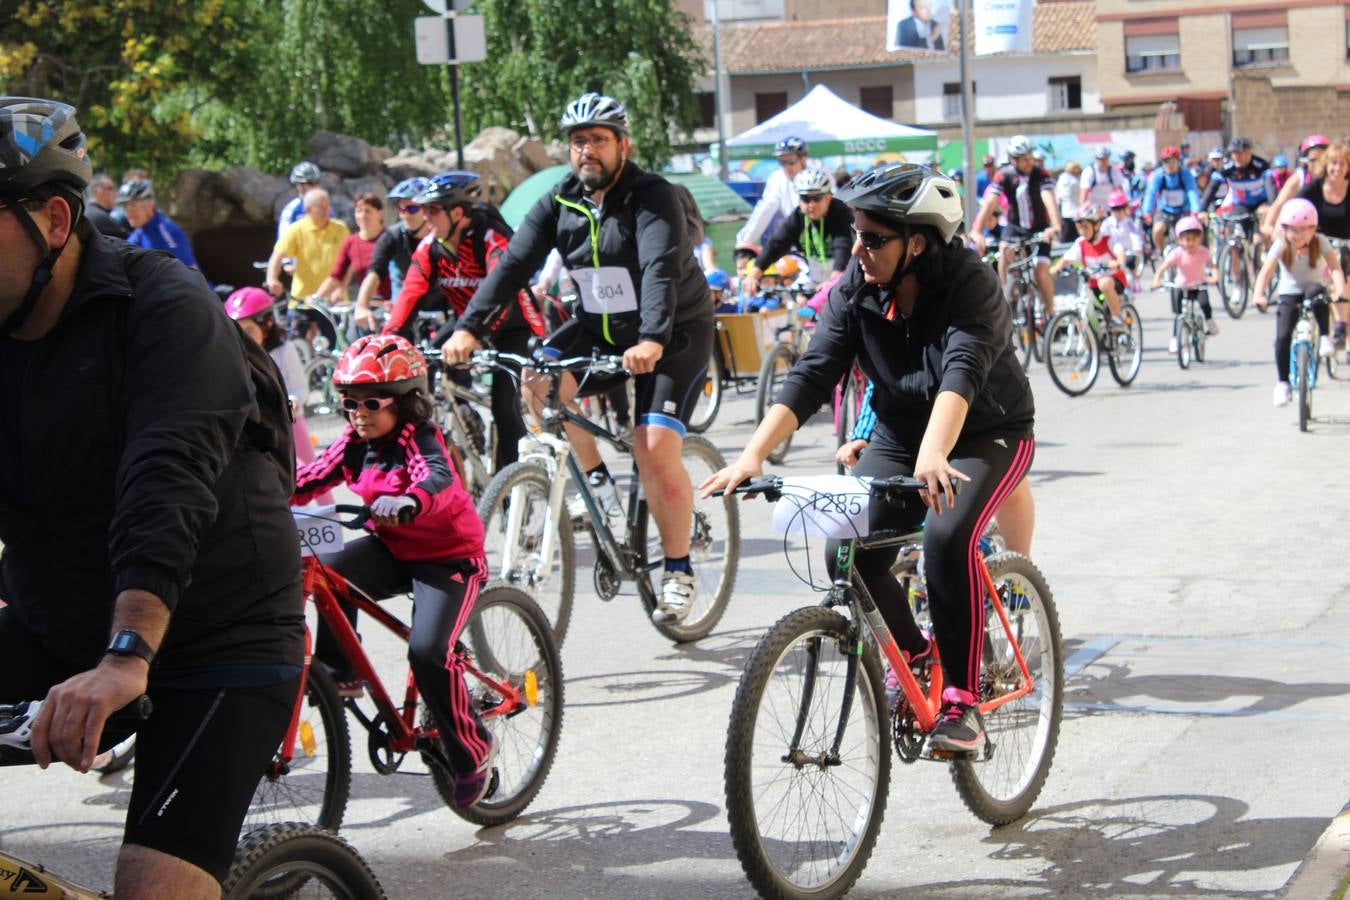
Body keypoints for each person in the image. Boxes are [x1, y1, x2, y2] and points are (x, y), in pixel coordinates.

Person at [0, 96, 303, 896]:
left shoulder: (164, 309)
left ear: (54, 223)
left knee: (150, 886)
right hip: (59, 616)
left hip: (213, 635)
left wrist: (128, 655)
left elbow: (166, 483)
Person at [700, 164, 1035, 753]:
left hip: (988, 429)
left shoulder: (968, 283)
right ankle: (917, 655)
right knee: (844, 550)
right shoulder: (855, 289)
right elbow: (811, 374)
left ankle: (963, 702)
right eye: (855, 233)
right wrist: (752, 455)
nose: (857, 248)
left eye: (873, 238)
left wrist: (936, 452)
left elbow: (963, 369)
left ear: (919, 242)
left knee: (945, 538)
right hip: (904, 432)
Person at [444, 91, 715, 624]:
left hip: (674, 331)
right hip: (601, 329)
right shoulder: (559, 200)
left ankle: (678, 569)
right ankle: (595, 482)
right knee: (536, 384)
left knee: (652, 445)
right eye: (576, 142)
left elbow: (659, 267)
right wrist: (468, 328)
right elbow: (513, 265)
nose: (586, 150)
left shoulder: (651, 195)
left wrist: (653, 339)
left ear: (622, 145)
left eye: (597, 140)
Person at [291, 334, 496, 808]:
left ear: (405, 401)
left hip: (450, 559)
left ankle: (473, 748)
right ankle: (341, 671)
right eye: (347, 403)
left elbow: (437, 478)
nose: (358, 413)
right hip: (394, 550)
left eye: (371, 402)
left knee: (427, 653)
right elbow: (306, 481)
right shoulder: (352, 443)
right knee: (325, 572)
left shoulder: (420, 435)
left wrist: (408, 500)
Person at [381, 170, 545, 473]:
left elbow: (501, 288)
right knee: (423, 365)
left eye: (433, 210)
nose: (426, 218)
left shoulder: (491, 237)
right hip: (464, 324)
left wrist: (473, 335)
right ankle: (458, 417)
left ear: (457, 212)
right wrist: (386, 342)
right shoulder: (432, 245)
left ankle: (509, 491)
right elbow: (410, 293)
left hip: (512, 325)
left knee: (504, 407)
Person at [223, 287, 329, 498]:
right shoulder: (235, 354)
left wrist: (294, 400)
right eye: (239, 331)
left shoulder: (283, 349)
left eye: (249, 330)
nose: (244, 338)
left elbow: (300, 387)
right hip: (258, 426)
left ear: (267, 324)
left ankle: (330, 520)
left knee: (312, 471)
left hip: (290, 422)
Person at [1254, 198, 1346, 406]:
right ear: (1284, 229)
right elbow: (1266, 271)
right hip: (1289, 293)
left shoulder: (1320, 242)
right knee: (1282, 336)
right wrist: (1258, 294)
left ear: (1313, 228)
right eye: (1292, 230)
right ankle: (1283, 383)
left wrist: (1339, 291)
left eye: (1303, 230)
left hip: (1314, 289)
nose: (1297, 235)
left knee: (1316, 293)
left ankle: (1324, 337)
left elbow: (1335, 268)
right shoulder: (1281, 244)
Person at [975, 135, 1060, 318]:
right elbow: (990, 203)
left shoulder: (1041, 175)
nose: (1030, 162)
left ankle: (1051, 312)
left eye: (1031, 157)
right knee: (1004, 248)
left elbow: (1049, 200)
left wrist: (1054, 226)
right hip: (1016, 226)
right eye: (1025, 159)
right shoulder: (1004, 175)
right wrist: (976, 231)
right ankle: (1006, 294)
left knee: (1040, 272)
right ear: (1013, 160)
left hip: (1040, 228)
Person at [742, 168, 852, 292]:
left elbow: (843, 246)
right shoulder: (798, 216)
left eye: (817, 198)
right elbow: (776, 244)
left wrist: (835, 278)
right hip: (814, 277)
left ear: (827, 198)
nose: (811, 204)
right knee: (798, 304)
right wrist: (754, 273)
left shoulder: (841, 213)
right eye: (805, 198)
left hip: (842, 275)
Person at [354, 177, 431, 333]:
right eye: (401, 209)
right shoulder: (392, 236)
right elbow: (375, 272)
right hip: (403, 307)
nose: (405, 215)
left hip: (437, 309)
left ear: (426, 209)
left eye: (412, 209)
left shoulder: (439, 235)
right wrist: (361, 306)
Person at [1294, 140, 1350, 353]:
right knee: (1333, 285)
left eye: (1342, 164)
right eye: (1333, 163)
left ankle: (1343, 331)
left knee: (1346, 287)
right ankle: (1337, 328)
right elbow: (1295, 207)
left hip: (1347, 244)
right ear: (1326, 165)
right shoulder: (1315, 187)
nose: (1337, 168)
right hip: (1321, 245)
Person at [735, 136, 834, 249]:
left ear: (804, 159)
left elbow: (836, 205)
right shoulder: (777, 179)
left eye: (791, 162)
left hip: (828, 239)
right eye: (782, 163)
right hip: (798, 243)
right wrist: (744, 241)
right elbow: (764, 210)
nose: (786, 167)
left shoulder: (821, 173)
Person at [265, 187, 349, 302]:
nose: (326, 210)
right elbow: (277, 256)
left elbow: (350, 262)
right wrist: (272, 279)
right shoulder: (296, 230)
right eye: (321, 207)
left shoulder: (341, 228)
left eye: (327, 205)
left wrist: (341, 288)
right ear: (308, 209)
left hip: (335, 300)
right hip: (304, 299)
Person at [1151, 215, 1220, 352]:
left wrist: (1214, 277)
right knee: (1179, 314)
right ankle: (1175, 338)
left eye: (1194, 239)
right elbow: (1164, 266)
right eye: (1187, 239)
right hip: (1181, 286)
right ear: (1180, 240)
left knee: (1205, 304)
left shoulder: (1204, 252)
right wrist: (1157, 280)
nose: (1191, 243)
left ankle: (1210, 322)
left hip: (1199, 284)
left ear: (1200, 239)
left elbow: (1212, 266)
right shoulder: (1177, 253)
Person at [1049, 203, 1127, 323]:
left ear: (1096, 226)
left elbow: (1119, 252)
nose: (1082, 231)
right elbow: (1066, 258)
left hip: (1113, 281)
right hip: (1092, 284)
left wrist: (1118, 262)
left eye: (1085, 227)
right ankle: (1087, 337)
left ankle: (1117, 318)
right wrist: (1057, 268)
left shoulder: (1108, 239)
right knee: (1080, 309)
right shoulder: (1080, 243)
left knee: (1104, 283)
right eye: (1079, 227)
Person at [314, 191, 387, 305]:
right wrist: (316, 299)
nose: (363, 215)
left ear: (380, 214)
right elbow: (336, 277)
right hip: (366, 309)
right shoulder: (351, 242)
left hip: (394, 306)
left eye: (368, 211)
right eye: (359, 211)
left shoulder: (392, 238)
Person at [117, 179, 199, 270]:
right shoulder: (139, 232)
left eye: (133, 205)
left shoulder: (166, 231)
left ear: (150, 204)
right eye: (125, 207)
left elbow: (190, 270)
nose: (129, 213)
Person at [1141, 145, 1203, 254]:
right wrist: (1147, 212)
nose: (1169, 165)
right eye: (1166, 162)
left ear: (1178, 161)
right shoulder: (1159, 175)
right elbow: (1151, 193)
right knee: (1157, 230)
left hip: (1182, 211)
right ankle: (1161, 252)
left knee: (1185, 236)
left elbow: (1192, 191)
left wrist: (1195, 210)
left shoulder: (1185, 174)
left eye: (1172, 162)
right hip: (1164, 210)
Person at [1101, 189, 1144, 278]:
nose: (1118, 213)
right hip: (1113, 252)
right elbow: (1103, 236)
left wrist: (1137, 247)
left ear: (1125, 209)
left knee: (1131, 261)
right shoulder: (1107, 223)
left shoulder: (1128, 222)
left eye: (1120, 209)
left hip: (1128, 251)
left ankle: (1134, 278)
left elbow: (1135, 235)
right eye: (1115, 209)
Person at [278, 160, 321, 240]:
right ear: (299, 185)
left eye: (316, 182)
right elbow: (283, 242)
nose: (315, 186)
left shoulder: (325, 208)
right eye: (310, 183)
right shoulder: (291, 210)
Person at [84, 172, 128, 238]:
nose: (116, 192)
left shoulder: (88, 212)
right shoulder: (99, 217)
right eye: (111, 188)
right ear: (98, 191)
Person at [1055, 160, 1083, 244]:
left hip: (1076, 209)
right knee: (1067, 236)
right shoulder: (1066, 178)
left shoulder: (1076, 177)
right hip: (1069, 210)